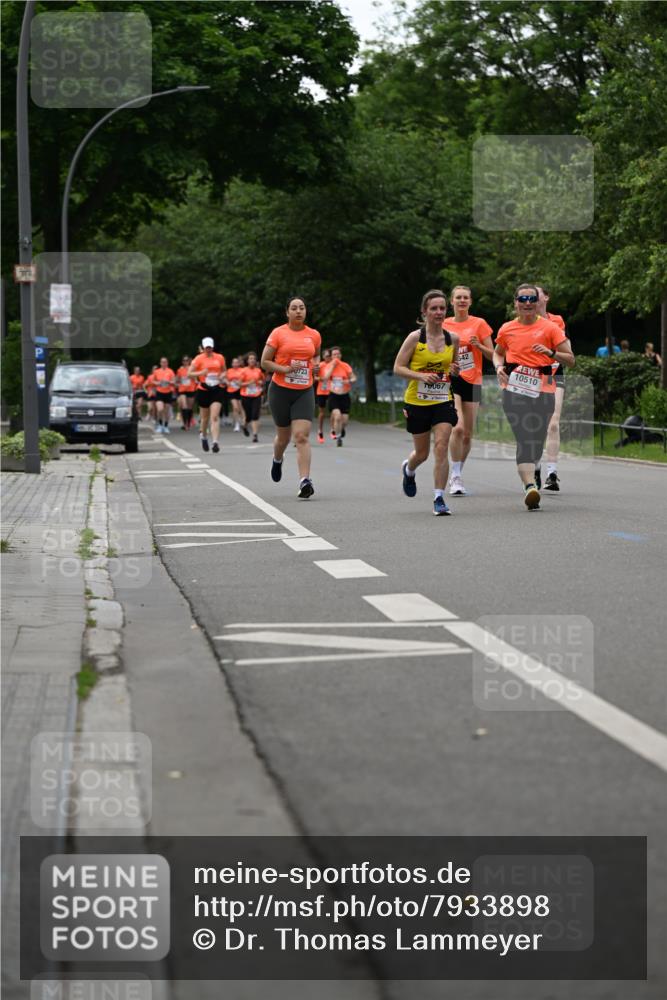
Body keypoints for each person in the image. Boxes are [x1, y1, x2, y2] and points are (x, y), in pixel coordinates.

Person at [493, 284, 574, 509]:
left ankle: (534, 473)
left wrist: (550, 353)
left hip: (544, 391)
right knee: (524, 438)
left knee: (537, 442)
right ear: (516, 303)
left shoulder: (550, 328)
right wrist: (499, 367)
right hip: (514, 391)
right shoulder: (507, 329)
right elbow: (498, 354)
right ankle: (529, 486)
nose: (527, 302)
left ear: (537, 301)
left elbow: (570, 359)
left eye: (531, 298)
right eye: (523, 299)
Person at [393, 289, 460, 516]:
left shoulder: (453, 339)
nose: (439, 312)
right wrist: (420, 376)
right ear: (424, 311)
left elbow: (454, 370)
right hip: (417, 401)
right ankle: (409, 469)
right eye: (434, 308)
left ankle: (439, 497)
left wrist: (454, 370)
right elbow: (398, 368)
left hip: (443, 399)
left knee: (441, 447)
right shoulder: (415, 338)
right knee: (422, 454)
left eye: (442, 308)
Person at [260, 296, 321, 499]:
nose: (298, 311)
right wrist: (285, 368)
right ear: (287, 312)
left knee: (301, 436)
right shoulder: (278, 333)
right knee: (283, 438)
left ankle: (305, 481)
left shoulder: (313, 335)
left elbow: (316, 355)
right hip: (280, 390)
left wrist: (316, 366)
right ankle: (277, 459)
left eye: (302, 308)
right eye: (294, 308)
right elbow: (265, 362)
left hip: (304, 390)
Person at [443, 285, 494, 495]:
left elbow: (493, 354)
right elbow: (434, 351)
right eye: (458, 298)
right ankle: (454, 477)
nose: (462, 301)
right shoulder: (443, 323)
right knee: (458, 428)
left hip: (473, 380)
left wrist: (478, 346)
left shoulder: (479, 324)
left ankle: (457, 471)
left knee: (468, 434)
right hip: (452, 379)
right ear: (452, 301)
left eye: (465, 298)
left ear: (470, 302)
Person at [533, 285, 572, 491]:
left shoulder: (556, 320)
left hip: (554, 373)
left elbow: (560, 345)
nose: (532, 299)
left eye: (536, 294)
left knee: (553, 423)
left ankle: (552, 473)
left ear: (546, 297)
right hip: (531, 376)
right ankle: (536, 467)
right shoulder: (524, 321)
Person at [188, 337, 227, 453]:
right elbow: (189, 373)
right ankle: (203, 436)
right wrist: (201, 373)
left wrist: (222, 376)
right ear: (204, 348)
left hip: (217, 388)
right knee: (204, 418)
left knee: (214, 417)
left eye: (210, 347)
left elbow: (225, 370)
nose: (208, 349)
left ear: (213, 347)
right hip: (204, 389)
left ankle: (215, 442)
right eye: (206, 348)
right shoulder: (198, 359)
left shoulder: (219, 357)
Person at [319, 347, 357, 446]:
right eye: (334, 354)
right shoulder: (328, 366)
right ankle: (338, 437)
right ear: (331, 356)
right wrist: (333, 366)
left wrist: (348, 381)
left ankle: (342, 429)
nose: (336, 356)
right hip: (333, 395)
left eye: (338, 354)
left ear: (341, 355)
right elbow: (325, 378)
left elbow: (353, 377)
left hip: (345, 395)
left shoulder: (345, 366)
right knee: (337, 416)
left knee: (344, 420)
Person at [239, 352, 264, 442]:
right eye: (250, 359)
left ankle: (255, 435)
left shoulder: (258, 371)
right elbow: (239, 383)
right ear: (247, 361)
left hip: (256, 395)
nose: (252, 360)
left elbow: (262, 381)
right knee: (248, 417)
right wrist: (248, 383)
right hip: (245, 395)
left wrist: (260, 383)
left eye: (254, 359)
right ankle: (244, 426)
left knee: (255, 415)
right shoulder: (243, 371)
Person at [154, 357, 176, 433]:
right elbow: (153, 381)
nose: (164, 363)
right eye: (162, 362)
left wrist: (168, 382)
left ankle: (166, 426)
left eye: (165, 362)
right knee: (160, 409)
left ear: (167, 363)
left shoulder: (170, 371)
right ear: (160, 363)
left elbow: (174, 381)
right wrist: (159, 383)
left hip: (168, 393)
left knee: (166, 411)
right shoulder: (156, 371)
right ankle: (160, 425)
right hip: (159, 392)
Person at [314, 348, 332, 443]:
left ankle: (333, 429)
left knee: (334, 411)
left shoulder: (333, 365)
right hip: (321, 391)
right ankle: (320, 431)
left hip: (332, 391)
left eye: (329, 356)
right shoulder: (320, 365)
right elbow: (315, 377)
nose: (327, 358)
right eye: (326, 356)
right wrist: (321, 379)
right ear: (323, 356)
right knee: (322, 413)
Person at [175, 355, 197, 430]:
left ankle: (188, 422)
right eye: (184, 360)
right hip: (182, 390)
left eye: (187, 360)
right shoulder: (180, 370)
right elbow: (177, 380)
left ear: (189, 361)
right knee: (184, 406)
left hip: (191, 389)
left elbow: (196, 379)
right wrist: (178, 383)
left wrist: (191, 376)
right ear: (182, 362)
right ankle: (185, 424)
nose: (185, 362)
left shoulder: (192, 369)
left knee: (190, 407)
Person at [226, 357, 245, 432]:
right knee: (235, 407)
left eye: (237, 362)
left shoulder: (242, 370)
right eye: (234, 362)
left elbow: (246, 379)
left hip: (240, 390)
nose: (235, 364)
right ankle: (237, 424)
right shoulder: (229, 371)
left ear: (239, 363)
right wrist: (228, 382)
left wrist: (240, 382)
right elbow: (225, 379)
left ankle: (243, 422)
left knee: (241, 407)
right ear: (232, 364)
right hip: (231, 391)